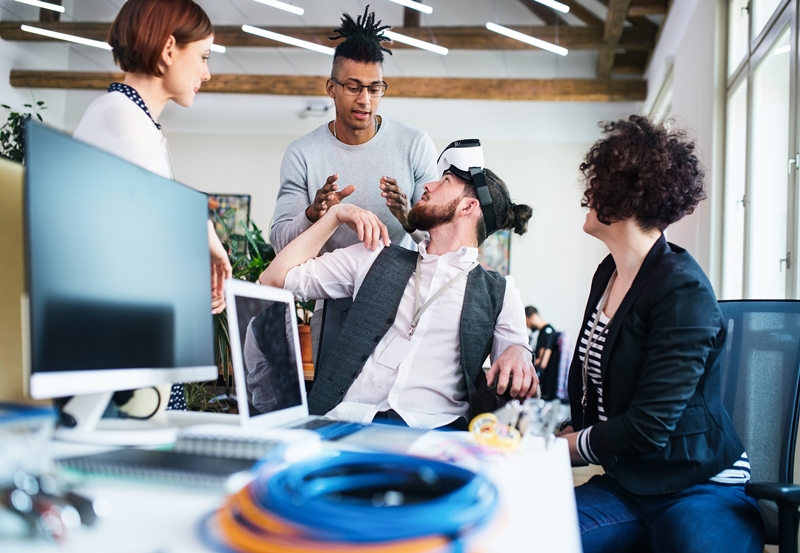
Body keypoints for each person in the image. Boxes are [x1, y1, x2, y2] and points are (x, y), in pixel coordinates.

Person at [560, 116, 764, 553]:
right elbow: (600, 388)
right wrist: (558, 431)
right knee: (526, 532)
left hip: (699, 484)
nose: (588, 194)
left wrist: (570, 447)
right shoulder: (610, 274)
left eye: (598, 183)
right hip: (629, 483)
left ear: (623, 195)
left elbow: (648, 426)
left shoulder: (682, 289)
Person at [260, 139, 537, 430]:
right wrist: (335, 216)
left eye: (445, 181)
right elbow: (273, 279)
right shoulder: (373, 255)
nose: (427, 185)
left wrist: (519, 349)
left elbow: (517, 363)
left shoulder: (501, 292)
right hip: (345, 423)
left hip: (436, 434)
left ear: (468, 206)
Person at [72, 0, 232, 410]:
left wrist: (204, 231)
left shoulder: (131, 120)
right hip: (119, 350)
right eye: (203, 56)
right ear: (168, 50)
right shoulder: (120, 119)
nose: (207, 72)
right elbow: (149, 245)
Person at [269, 6, 438, 253]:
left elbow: (438, 241)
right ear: (331, 88)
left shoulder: (415, 144)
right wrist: (313, 214)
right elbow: (279, 244)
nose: (365, 100)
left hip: (397, 289)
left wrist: (408, 218)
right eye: (353, 87)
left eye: (374, 88)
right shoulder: (301, 154)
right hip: (327, 290)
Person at [525, 306, 559, 399]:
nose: (527, 326)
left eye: (527, 322)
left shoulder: (548, 332)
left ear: (532, 317)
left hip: (547, 384)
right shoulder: (543, 332)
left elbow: (543, 362)